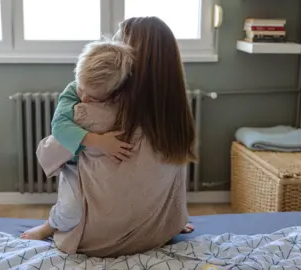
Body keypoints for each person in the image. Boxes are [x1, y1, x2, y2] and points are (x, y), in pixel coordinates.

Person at [43, 16, 197, 257]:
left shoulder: (91, 112)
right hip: (155, 234)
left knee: (59, 161)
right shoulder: (174, 115)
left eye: (117, 41)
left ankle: (50, 225)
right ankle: (50, 224)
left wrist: (86, 141)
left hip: (98, 241)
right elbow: (175, 179)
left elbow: (48, 151)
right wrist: (173, 221)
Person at [20, 40, 136, 240]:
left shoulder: (121, 96)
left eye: (94, 98)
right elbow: (59, 128)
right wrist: (99, 141)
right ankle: (50, 225)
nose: (84, 100)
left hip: (103, 166)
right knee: (71, 210)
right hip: (74, 164)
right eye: (82, 90)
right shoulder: (72, 91)